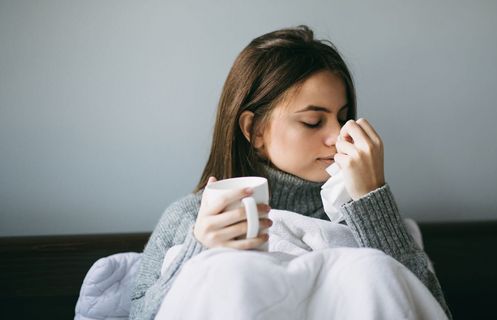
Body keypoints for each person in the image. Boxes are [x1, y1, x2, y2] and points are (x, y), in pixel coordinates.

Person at [130, 25, 452, 319]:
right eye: (313, 121)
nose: (337, 135)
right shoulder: (190, 217)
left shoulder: (369, 218)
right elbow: (138, 315)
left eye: (342, 117)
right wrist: (197, 249)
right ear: (254, 130)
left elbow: (432, 311)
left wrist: (371, 199)